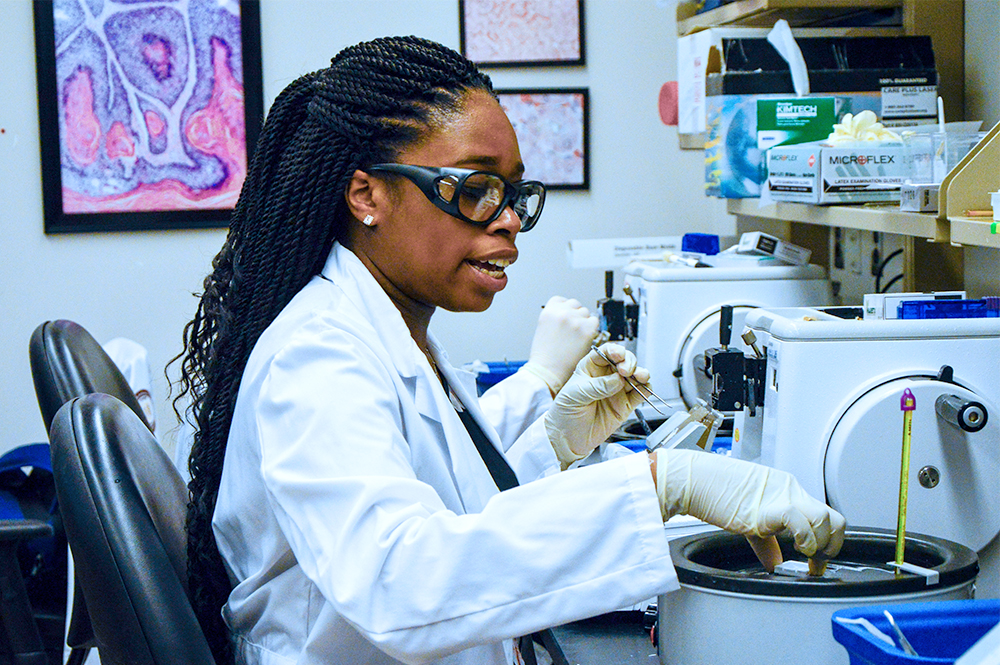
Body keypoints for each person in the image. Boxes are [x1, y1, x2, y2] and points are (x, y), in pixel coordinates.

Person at [171, 35, 845, 665]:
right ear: (365, 194)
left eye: (513, 192)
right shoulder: (317, 358)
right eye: (474, 189)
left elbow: (447, 510)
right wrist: (663, 484)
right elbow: (401, 580)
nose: (510, 217)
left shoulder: (385, 330)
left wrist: (551, 442)